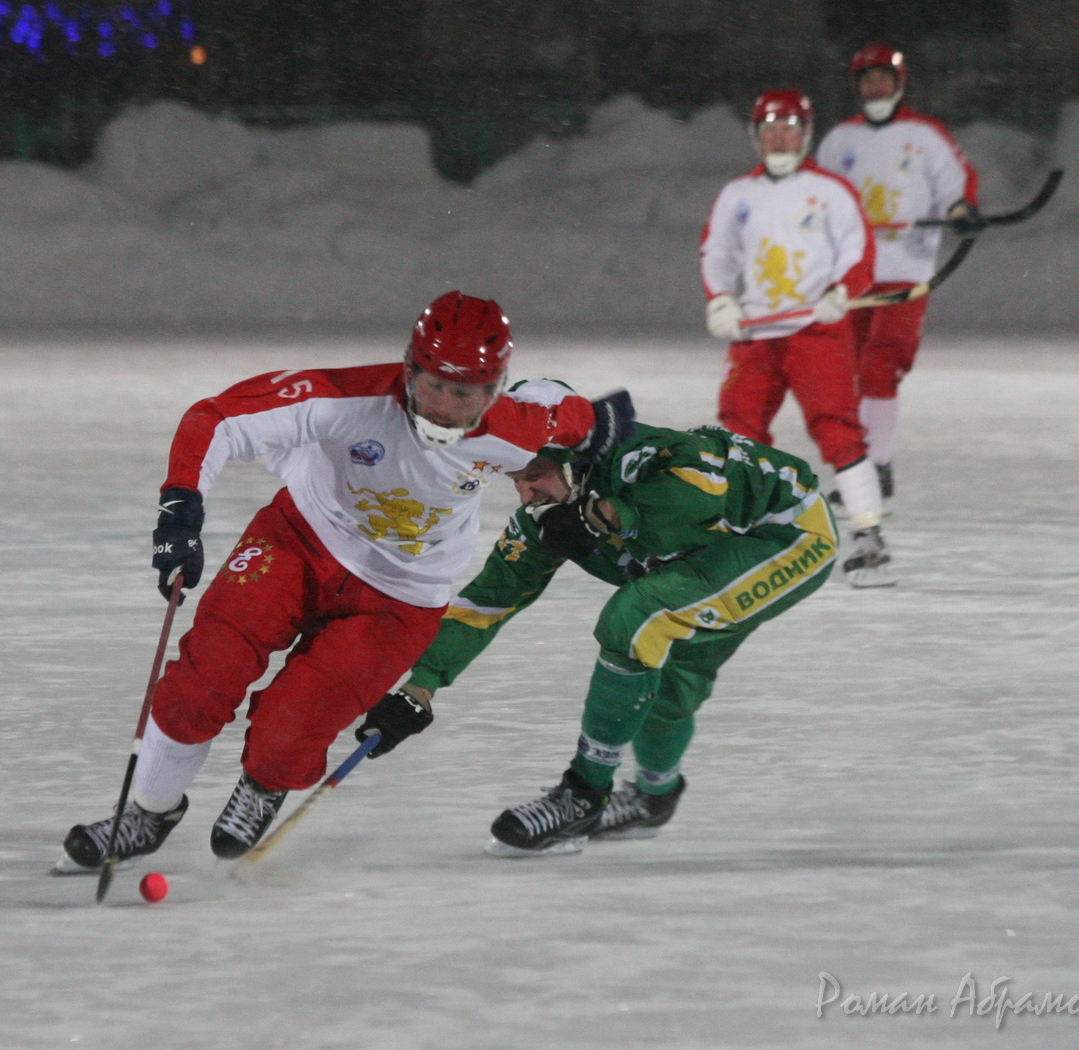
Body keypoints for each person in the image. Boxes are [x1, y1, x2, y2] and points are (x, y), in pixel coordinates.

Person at [57, 291, 632, 871]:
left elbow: (598, 423)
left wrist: (578, 491)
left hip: (402, 597)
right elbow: (218, 417)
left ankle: (264, 784)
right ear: (408, 367)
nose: (441, 405)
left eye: (464, 394)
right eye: (430, 383)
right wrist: (179, 509)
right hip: (296, 542)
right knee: (202, 680)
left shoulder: (522, 425)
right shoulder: (346, 397)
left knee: (291, 730)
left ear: (495, 388)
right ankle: (149, 813)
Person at [352, 423, 839, 854]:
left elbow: (705, 485)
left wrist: (607, 514)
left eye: (534, 475)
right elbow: (489, 601)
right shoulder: (542, 519)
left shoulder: (635, 457)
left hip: (787, 537)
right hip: (711, 557)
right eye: (515, 481)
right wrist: (421, 685)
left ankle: (582, 795)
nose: (526, 495)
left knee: (636, 617)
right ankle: (654, 796)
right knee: (669, 680)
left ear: (571, 460)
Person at [699, 88, 888, 586]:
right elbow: (716, 254)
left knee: (837, 428)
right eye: (769, 130)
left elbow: (858, 253)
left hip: (816, 331)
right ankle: (746, 532)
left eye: (789, 130)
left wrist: (842, 291)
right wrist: (720, 298)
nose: (779, 139)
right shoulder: (737, 195)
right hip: (757, 334)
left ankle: (868, 533)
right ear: (756, 136)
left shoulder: (830, 192)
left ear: (806, 136)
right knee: (737, 433)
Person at [815, 43, 982, 517]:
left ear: (900, 82)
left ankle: (875, 468)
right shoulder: (838, 140)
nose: (875, 87)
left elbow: (956, 184)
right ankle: (857, 469)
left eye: (883, 78)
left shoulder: (925, 135)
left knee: (880, 369)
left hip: (905, 273)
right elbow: (817, 198)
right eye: (867, 79)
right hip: (851, 275)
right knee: (847, 375)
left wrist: (960, 210)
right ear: (856, 86)